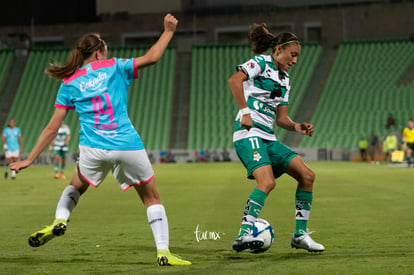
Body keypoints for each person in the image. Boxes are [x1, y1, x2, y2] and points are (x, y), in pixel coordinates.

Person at [10, 14, 191, 266]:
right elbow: (152, 57)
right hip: (127, 144)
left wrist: (30, 158)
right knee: (151, 198)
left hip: (92, 148)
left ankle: (60, 219)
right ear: (97, 53)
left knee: (75, 186)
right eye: (104, 51)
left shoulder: (69, 82)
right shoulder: (115, 66)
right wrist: (169, 31)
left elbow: (53, 127)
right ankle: (163, 252)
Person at [228, 24, 324, 253]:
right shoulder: (261, 62)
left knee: (307, 175)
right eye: (293, 55)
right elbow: (234, 80)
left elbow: (281, 119)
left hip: (268, 137)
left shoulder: (285, 80)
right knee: (267, 182)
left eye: (297, 56)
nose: (295, 60)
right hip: (248, 133)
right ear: (279, 49)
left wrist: (297, 126)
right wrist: (245, 111)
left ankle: (300, 235)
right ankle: (242, 235)